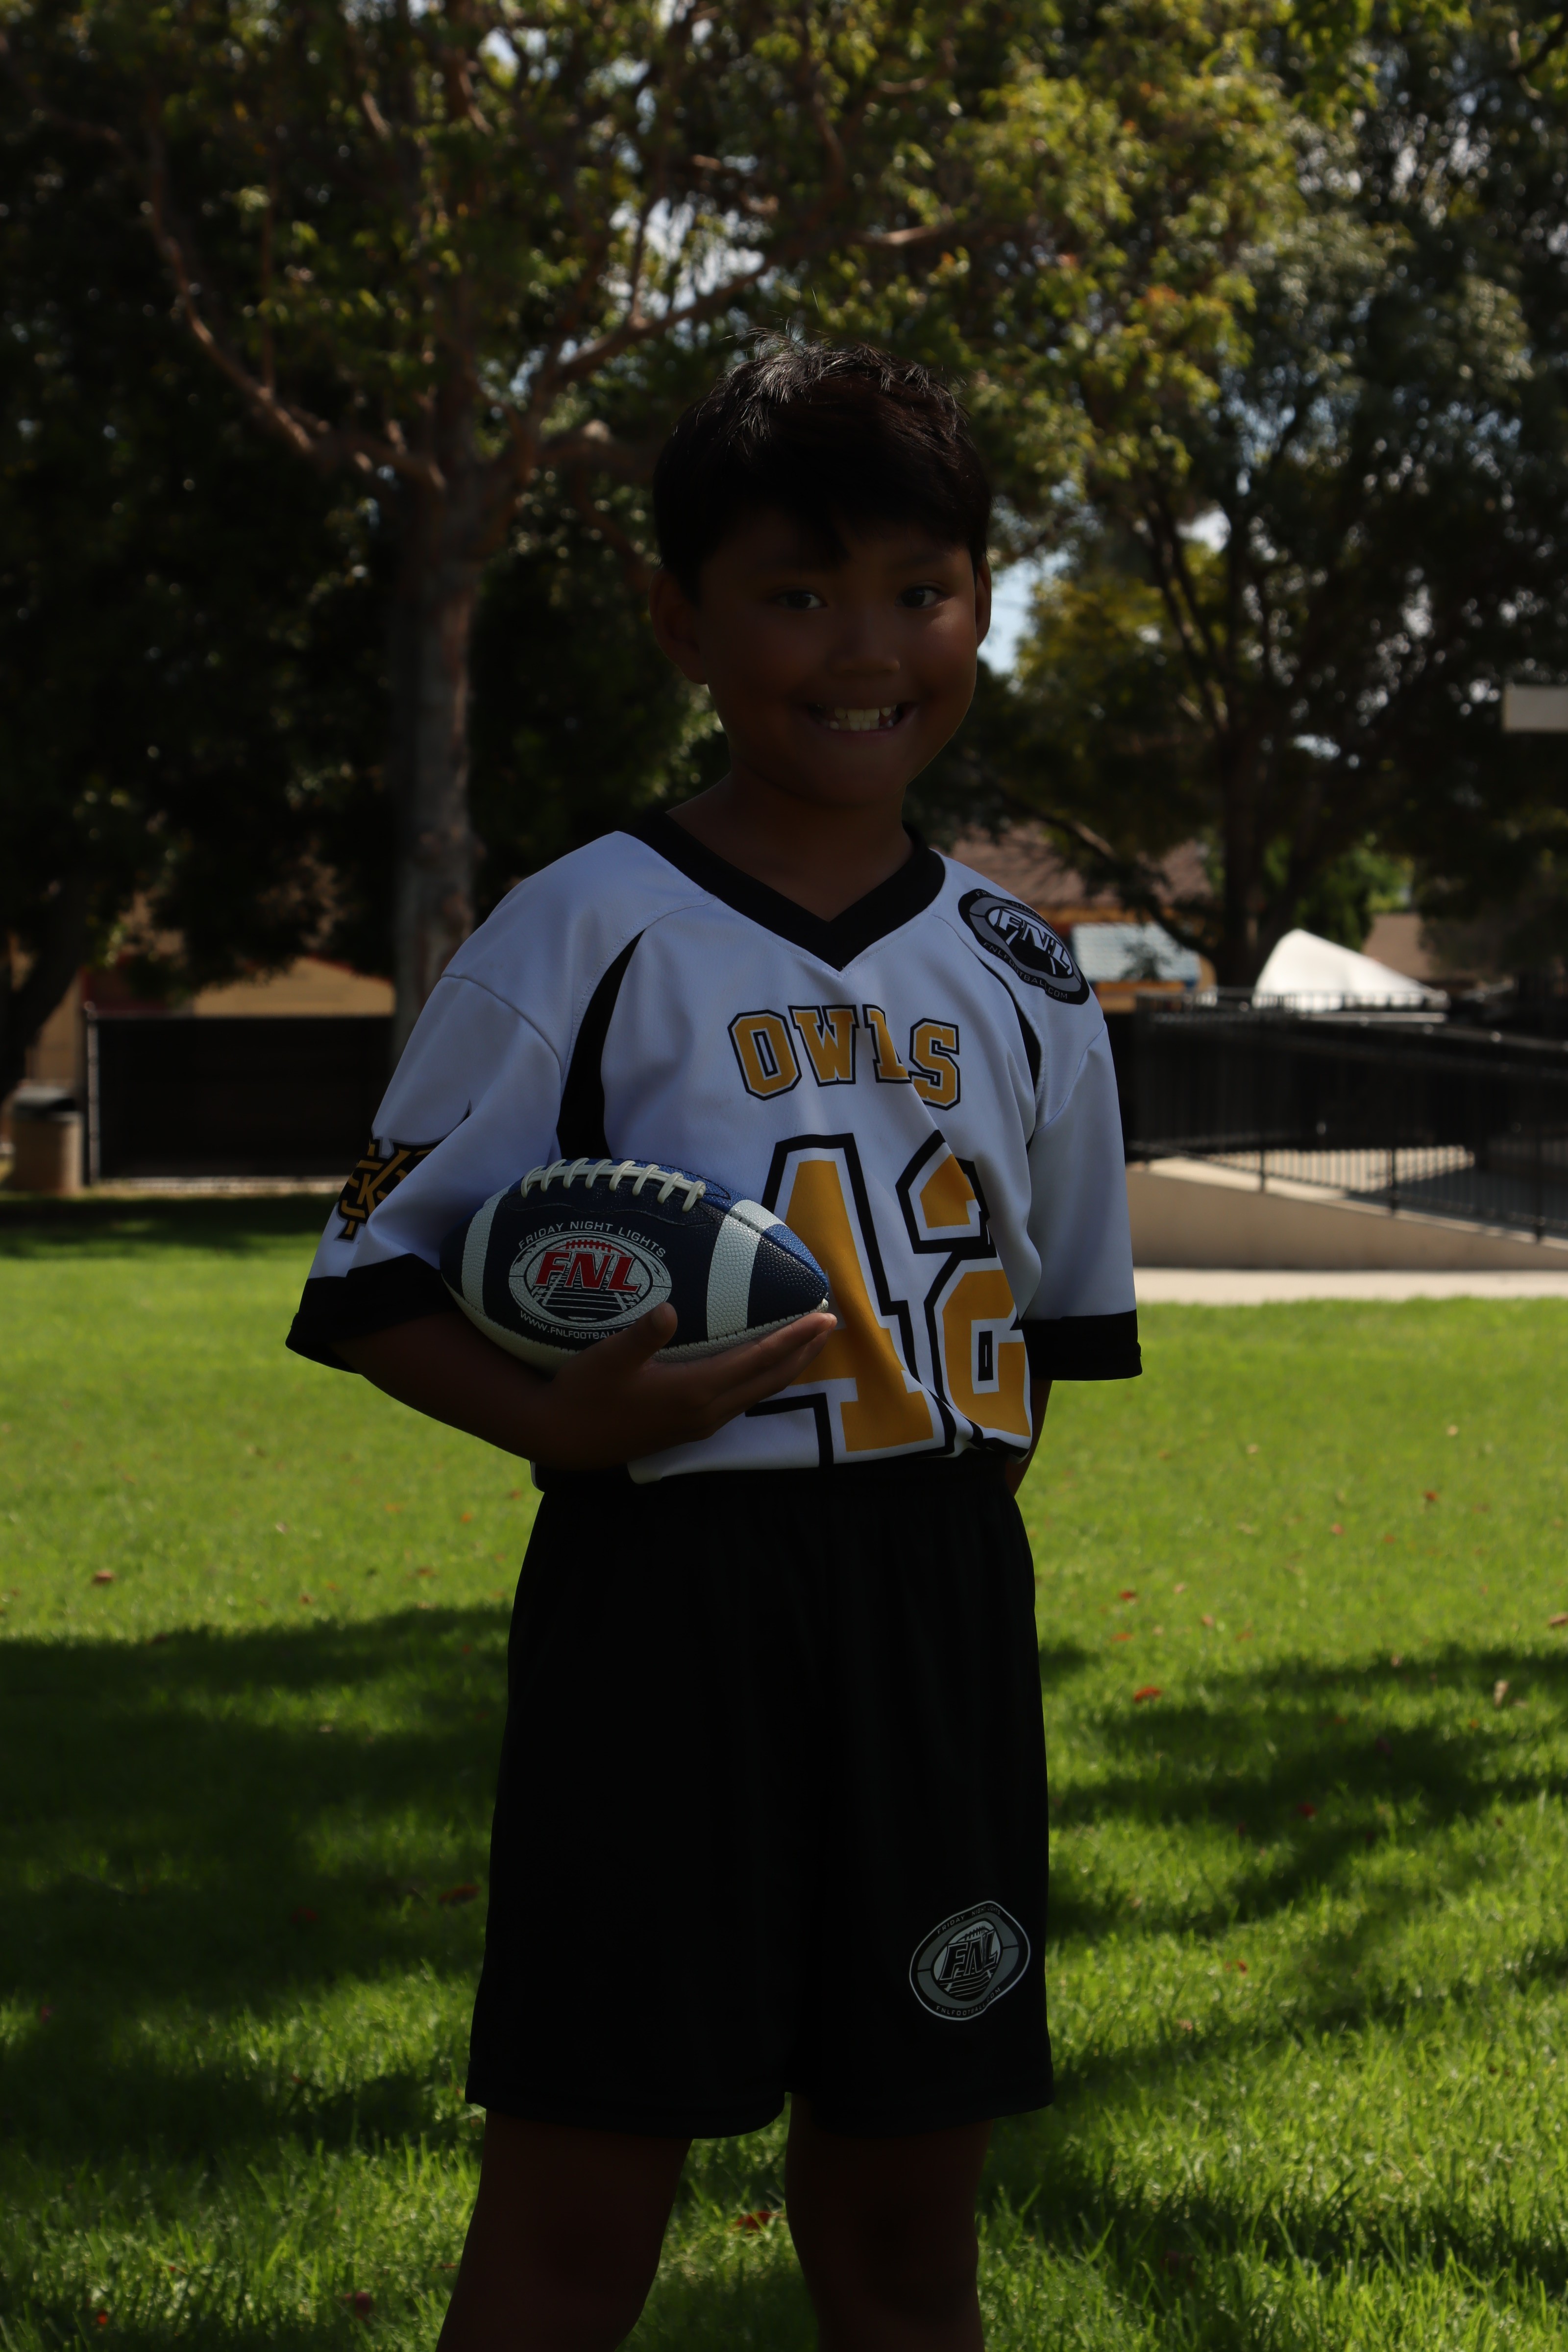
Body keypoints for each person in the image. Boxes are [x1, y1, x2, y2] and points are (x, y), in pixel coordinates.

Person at [287, 339, 1141, 2351]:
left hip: (936, 1612)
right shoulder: (581, 927)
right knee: (577, 2215)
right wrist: (563, 1429)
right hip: (660, 1602)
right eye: (796, 592)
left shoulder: (1026, 967)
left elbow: (1045, 1334)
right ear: (681, 621)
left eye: (918, 589)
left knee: (910, 2226)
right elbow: (373, 1278)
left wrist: (914, 1532)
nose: (865, 648)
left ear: (983, 605)